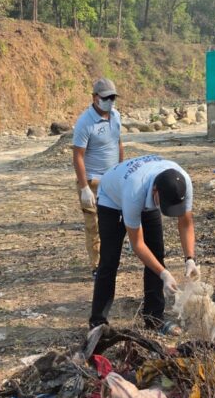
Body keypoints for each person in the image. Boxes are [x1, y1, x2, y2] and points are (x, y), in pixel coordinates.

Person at [89, 154, 198, 334]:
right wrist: (164, 274)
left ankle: (153, 319)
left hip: (145, 194)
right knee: (109, 260)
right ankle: (98, 322)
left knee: (156, 254)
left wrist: (190, 259)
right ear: (155, 191)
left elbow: (186, 222)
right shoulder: (135, 191)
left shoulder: (183, 181)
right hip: (112, 198)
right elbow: (137, 244)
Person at [72, 78, 124, 278]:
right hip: (92, 182)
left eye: (113, 98)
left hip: (112, 181)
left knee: (112, 225)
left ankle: (110, 261)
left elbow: (118, 143)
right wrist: (84, 187)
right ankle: (97, 267)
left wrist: (121, 170)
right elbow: (77, 155)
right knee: (93, 226)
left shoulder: (116, 116)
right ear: (95, 98)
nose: (110, 101)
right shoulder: (85, 122)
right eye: (106, 98)